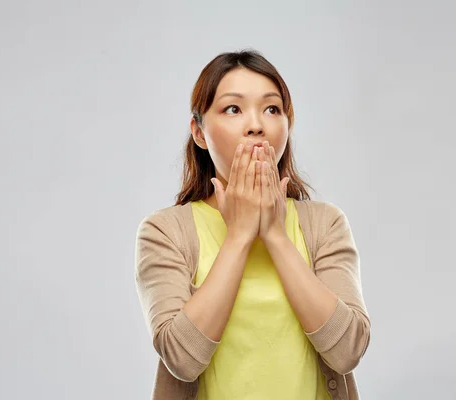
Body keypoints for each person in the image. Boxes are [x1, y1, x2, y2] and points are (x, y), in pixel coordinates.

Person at [134, 49, 371, 400]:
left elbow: (347, 350)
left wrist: (274, 233)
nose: (256, 124)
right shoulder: (166, 231)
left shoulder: (325, 223)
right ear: (199, 133)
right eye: (233, 108)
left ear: (287, 125)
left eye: (272, 109)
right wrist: (241, 234)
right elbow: (182, 359)